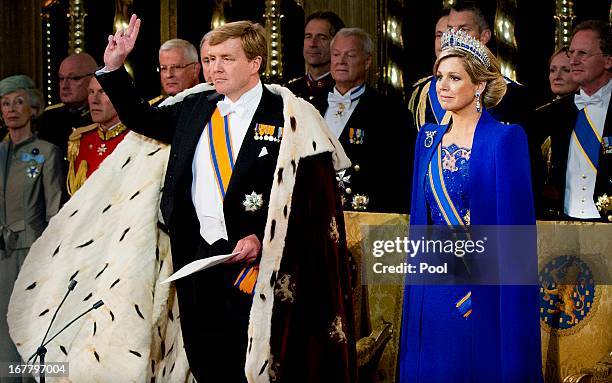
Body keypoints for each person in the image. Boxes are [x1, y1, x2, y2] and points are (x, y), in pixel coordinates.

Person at [92, 16, 355, 382]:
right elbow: (141, 118)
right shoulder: (195, 107)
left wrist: (262, 239)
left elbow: (313, 202)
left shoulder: (288, 114)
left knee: (250, 368)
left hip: (257, 266)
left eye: (226, 59)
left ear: (254, 63)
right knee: (205, 363)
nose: (215, 68)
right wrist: (114, 68)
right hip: (196, 259)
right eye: (210, 59)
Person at [399, 29, 542, 382]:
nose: (442, 86)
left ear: (478, 86)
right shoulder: (428, 138)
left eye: (454, 78)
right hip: (430, 288)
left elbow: (514, 234)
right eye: (439, 77)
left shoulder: (504, 139)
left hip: (478, 290)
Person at [313, 27, 414, 213]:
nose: (341, 61)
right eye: (336, 55)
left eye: (350, 55)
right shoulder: (309, 105)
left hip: (363, 215)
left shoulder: (390, 112)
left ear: (367, 62)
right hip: (315, 212)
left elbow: (399, 177)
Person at [0, 75, 62, 371]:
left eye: (19, 102)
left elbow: (53, 210)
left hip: (30, 251)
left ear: (33, 109)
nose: (12, 109)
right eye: (6, 103)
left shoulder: (44, 152)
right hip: (1, 252)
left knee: (26, 324)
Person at [533, 20, 611, 221]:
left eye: (583, 54)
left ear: (608, 60)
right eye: (572, 52)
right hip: (561, 230)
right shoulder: (550, 114)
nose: (573, 61)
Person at [66, 77, 129, 195]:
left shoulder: (137, 139)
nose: (94, 100)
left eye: (103, 91)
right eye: (91, 92)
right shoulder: (82, 141)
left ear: (121, 96)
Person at [38, 53, 97, 156]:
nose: (65, 86)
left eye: (74, 78)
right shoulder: (50, 117)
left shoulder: (101, 115)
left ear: (93, 79)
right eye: (61, 79)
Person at [285, 11, 345, 101]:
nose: (312, 44)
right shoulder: (289, 91)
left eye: (322, 38)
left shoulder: (344, 91)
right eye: (308, 36)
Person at [409, 9, 451, 130]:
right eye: (439, 35)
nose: (443, 41)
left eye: (449, 34)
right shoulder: (422, 91)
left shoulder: (481, 88)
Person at [149, 39, 201, 106]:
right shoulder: (156, 108)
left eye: (177, 67)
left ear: (195, 69)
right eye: (164, 68)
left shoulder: (211, 107)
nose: (169, 75)